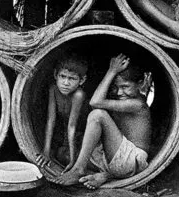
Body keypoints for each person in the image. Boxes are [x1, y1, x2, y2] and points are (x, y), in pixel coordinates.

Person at [53, 54, 152, 189]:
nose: (119, 92)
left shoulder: (137, 104)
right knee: (62, 153)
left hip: (131, 159)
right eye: (116, 87)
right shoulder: (120, 100)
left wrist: (111, 71)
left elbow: (95, 102)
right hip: (115, 158)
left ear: (140, 84)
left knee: (98, 115)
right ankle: (104, 175)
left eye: (125, 87)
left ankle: (79, 170)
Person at [37, 55, 88, 171]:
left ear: (82, 80)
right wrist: (46, 151)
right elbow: (51, 120)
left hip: (84, 135)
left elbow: (72, 126)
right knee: (60, 155)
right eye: (62, 76)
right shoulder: (53, 90)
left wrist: (72, 160)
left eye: (72, 78)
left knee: (68, 157)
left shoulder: (78, 95)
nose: (65, 82)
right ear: (55, 75)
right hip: (67, 135)